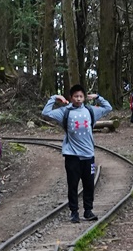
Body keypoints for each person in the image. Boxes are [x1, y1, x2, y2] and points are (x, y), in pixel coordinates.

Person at [42, 83, 112, 224]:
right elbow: (45, 113)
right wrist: (54, 98)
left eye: (81, 96)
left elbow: (108, 108)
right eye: (76, 96)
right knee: (72, 185)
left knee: (89, 185)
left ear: (84, 97)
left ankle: (88, 210)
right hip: (72, 155)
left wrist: (98, 97)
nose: (78, 99)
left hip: (88, 155)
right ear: (71, 97)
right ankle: (74, 212)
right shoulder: (64, 112)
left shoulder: (91, 110)